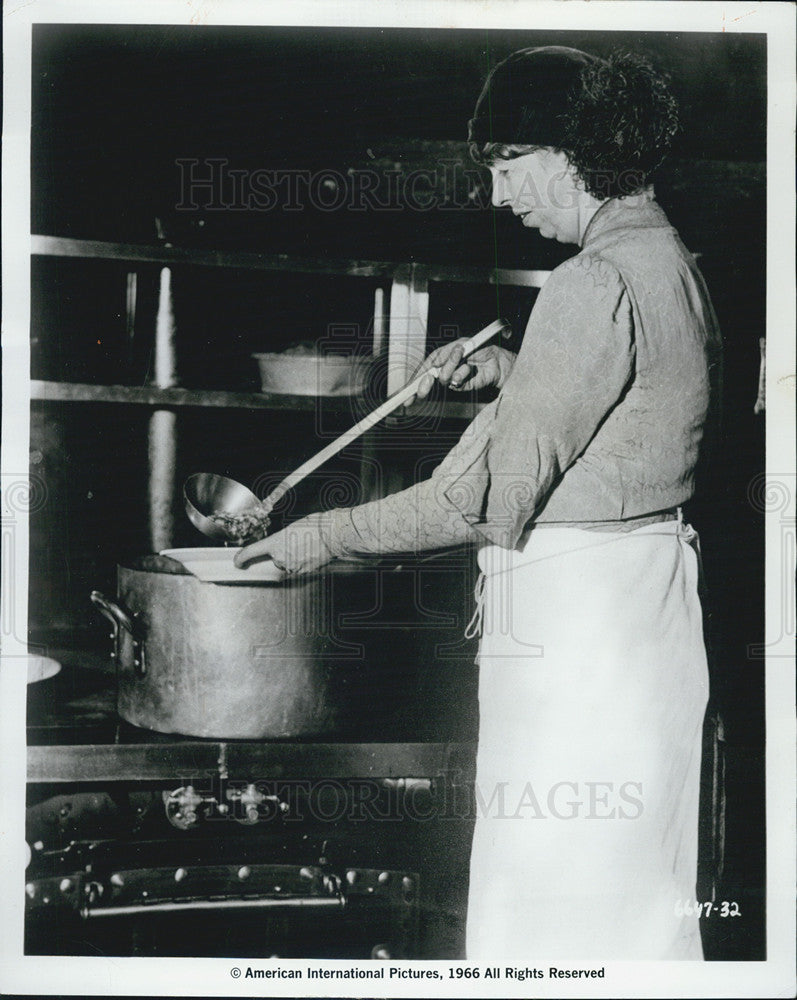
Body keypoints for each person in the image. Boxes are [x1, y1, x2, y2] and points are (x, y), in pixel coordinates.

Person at [236, 46, 722, 960]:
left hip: (576, 631)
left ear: (571, 151)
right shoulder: (665, 258)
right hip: (641, 617)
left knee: (550, 904)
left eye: (506, 165)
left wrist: (322, 539)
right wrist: (510, 372)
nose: (499, 194)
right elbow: (632, 415)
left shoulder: (590, 281)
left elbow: (483, 503)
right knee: (626, 898)